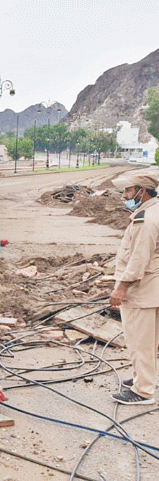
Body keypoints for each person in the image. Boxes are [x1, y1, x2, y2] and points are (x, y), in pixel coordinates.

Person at [108, 170, 159, 405]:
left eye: (128, 190)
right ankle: (143, 378)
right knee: (148, 341)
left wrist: (121, 288)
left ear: (143, 191)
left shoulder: (145, 219)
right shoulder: (152, 211)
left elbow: (138, 259)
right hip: (151, 288)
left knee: (140, 342)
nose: (125, 195)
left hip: (141, 290)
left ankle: (143, 391)